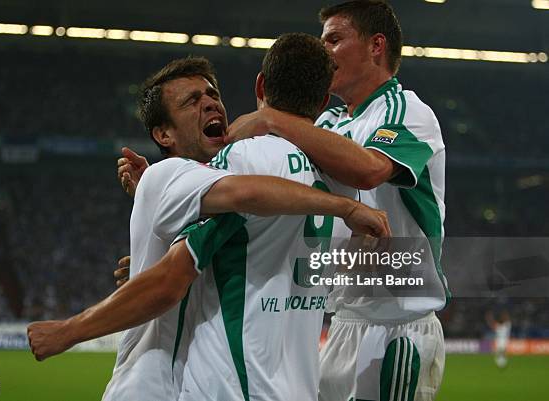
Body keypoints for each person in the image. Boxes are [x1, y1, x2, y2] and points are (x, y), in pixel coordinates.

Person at [27, 54, 390, 401]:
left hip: (190, 383)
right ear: (164, 135)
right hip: (149, 385)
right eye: (191, 101)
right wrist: (68, 331)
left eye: (213, 94)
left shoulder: (206, 183)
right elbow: (241, 197)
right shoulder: (167, 174)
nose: (211, 104)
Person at [226, 2, 448, 400]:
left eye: (334, 39)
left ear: (376, 45)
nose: (323, 51)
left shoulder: (408, 111)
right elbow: (266, 179)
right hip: (341, 321)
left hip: (396, 329)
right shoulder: (326, 124)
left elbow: (368, 170)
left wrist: (274, 118)